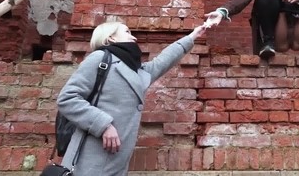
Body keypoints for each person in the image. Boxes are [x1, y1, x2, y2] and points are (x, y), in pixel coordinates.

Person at [56, 21, 206, 176]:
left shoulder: (137, 71)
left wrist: (193, 36)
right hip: (89, 160)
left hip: (117, 162)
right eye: (127, 32)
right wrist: (103, 125)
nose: (134, 38)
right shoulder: (99, 59)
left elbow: (163, 61)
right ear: (111, 38)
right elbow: (67, 98)